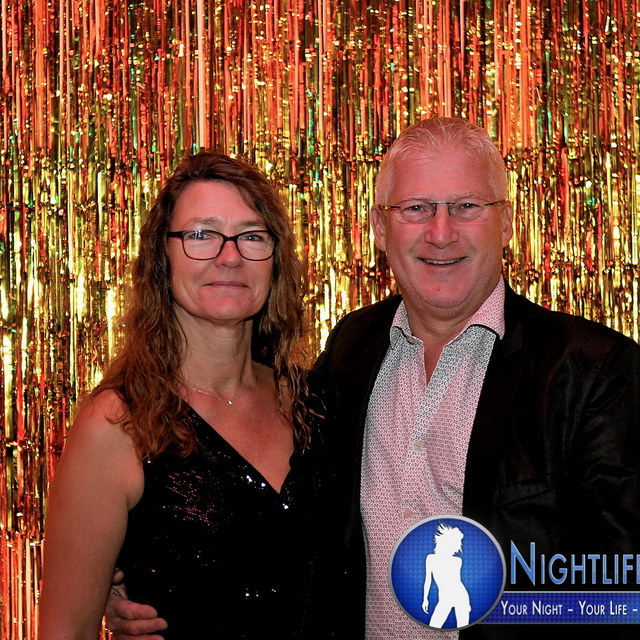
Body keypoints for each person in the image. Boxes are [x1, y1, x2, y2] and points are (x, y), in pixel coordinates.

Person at [105, 118, 640, 639]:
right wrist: (143, 579)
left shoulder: (594, 371)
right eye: (416, 208)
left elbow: (621, 593)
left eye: (467, 206)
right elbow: (276, 519)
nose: (441, 232)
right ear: (381, 229)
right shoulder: (350, 350)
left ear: (506, 222)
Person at [39, 152, 337, 639]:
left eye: (252, 235)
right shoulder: (115, 426)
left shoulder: (316, 401)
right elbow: (64, 631)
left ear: (275, 259)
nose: (230, 256)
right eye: (201, 234)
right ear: (162, 257)